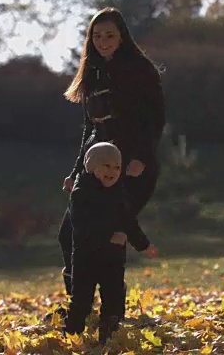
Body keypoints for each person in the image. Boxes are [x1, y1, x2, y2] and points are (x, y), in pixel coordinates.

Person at [48, 7, 166, 321]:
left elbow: (154, 119)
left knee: (113, 235)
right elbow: (91, 130)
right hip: (95, 169)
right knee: (69, 234)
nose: (103, 41)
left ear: (122, 36)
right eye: (97, 36)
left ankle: (113, 315)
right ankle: (80, 306)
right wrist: (76, 172)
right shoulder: (93, 71)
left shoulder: (140, 69)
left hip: (131, 167)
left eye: (110, 35)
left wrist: (140, 156)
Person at [63, 141, 158, 344]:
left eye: (116, 167)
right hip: (86, 257)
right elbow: (83, 225)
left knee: (114, 297)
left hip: (113, 258)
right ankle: (71, 336)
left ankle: (110, 335)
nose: (112, 171)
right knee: (81, 300)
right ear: (91, 167)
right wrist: (108, 236)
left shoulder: (119, 192)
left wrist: (143, 245)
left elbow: (128, 221)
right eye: (106, 166)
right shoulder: (82, 193)